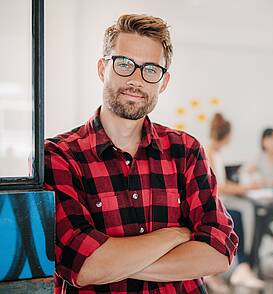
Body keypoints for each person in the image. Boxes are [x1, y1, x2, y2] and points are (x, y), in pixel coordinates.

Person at [44, 14, 238, 294]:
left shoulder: (186, 151)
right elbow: (83, 265)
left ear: (164, 81)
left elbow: (219, 251)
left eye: (150, 69)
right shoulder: (59, 156)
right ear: (102, 69)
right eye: (124, 64)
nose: (136, 80)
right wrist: (176, 235)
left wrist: (113, 262)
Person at [205, 113, 266, 290]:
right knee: (239, 216)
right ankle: (242, 268)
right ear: (227, 135)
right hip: (211, 207)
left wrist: (247, 187)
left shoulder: (216, 153)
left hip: (221, 203)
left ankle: (243, 267)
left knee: (244, 212)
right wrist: (247, 188)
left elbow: (222, 182)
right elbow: (219, 186)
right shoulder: (209, 153)